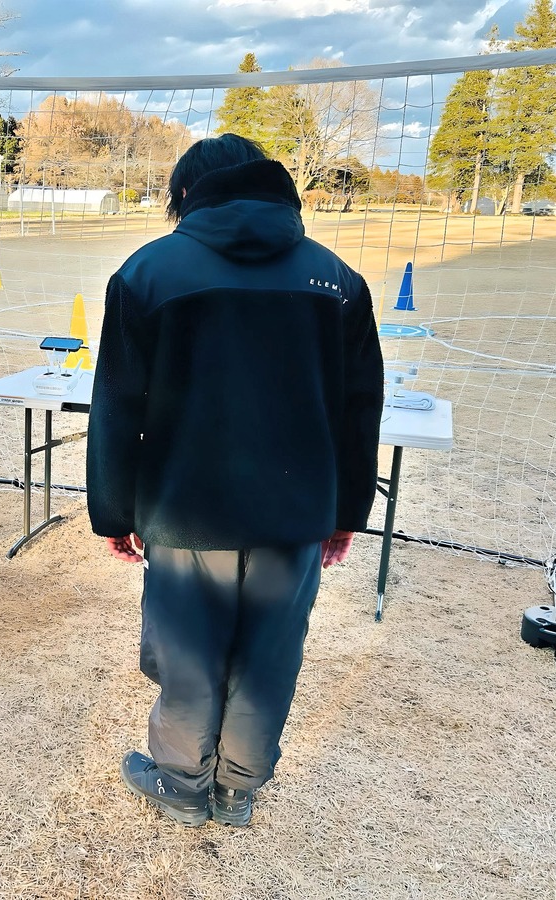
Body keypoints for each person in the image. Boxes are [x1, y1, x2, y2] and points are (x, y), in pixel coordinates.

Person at [86, 134, 384, 826]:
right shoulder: (337, 280)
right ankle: (238, 789)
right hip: (295, 514)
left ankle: (183, 782)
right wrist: (345, 511)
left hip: (185, 511)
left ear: (185, 195)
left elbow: (117, 405)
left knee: (189, 653)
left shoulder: (147, 274)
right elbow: (359, 408)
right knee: (270, 656)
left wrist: (113, 510)